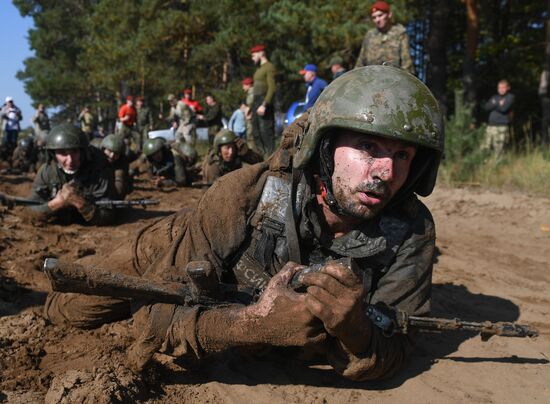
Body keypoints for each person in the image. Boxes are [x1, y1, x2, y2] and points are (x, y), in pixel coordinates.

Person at [43, 66, 444, 382]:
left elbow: (398, 347)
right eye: (368, 147)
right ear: (325, 146)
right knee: (67, 311)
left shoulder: (410, 231)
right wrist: (250, 326)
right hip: (177, 241)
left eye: (403, 155)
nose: (385, 172)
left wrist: (357, 331)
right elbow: (154, 319)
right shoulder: (243, 194)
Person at [27, 123, 117, 225]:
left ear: (83, 152)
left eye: (74, 151)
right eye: (63, 153)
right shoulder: (47, 171)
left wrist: (80, 203)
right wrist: (57, 203)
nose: (70, 160)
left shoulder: (100, 169)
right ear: (53, 154)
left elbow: (108, 215)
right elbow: (30, 211)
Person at [355, 1, 414, 74]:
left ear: (389, 14)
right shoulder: (370, 35)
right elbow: (360, 63)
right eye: (374, 17)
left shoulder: (400, 34)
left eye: (380, 15)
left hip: (394, 80)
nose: (377, 20)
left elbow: (407, 64)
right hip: (371, 79)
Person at [250, 44, 277, 156]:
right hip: (256, 102)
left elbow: (272, 87)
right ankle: (261, 157)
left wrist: (264, 104)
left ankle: (271, 157)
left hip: (263, 101)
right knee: (255, 131)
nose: (252, 58)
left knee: (266, 131)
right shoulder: (259, 69)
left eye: (254, 55)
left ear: (261, 53)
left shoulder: (269, 67)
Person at [481, 80, 514, 157]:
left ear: (508, 88)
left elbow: (504, 108)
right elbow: (486, 107)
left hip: (501, 126)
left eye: (503, 87)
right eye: (499, 87)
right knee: (485, 146)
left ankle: (499, 165)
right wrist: (498, 103)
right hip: (490, 126)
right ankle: (484, 164)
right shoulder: (494, 97)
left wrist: (494, 104)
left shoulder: (510, 97)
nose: (501, 89)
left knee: (499, 149)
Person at [100, 134, 132, 199]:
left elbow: (119, 181)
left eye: (116, 153)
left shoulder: (122, 162)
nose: (112, 156)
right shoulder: (95, 156)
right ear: (103, 149)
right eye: (109, 151)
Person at [241, 77, 256, 150]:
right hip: (250, 118)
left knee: (250, 136)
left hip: (250, 118)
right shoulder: (250, 93)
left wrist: (247, 109)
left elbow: (251, 104)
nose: (243, 87)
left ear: (248, 85)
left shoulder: (252, 92)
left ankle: (253, 152)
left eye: (244, 85)